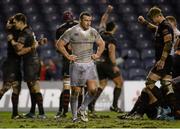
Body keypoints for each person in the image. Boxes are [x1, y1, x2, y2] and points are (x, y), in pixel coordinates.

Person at [56, 11, 105, 122]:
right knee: (75, 92)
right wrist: (68, 55)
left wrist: (97, 54)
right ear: (80, 20)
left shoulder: (93, 31)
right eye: (86, 20)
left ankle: (82, 108)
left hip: (89, 64)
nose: (88, 23)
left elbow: (102, 44)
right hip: (76, 65)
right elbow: (59, 44)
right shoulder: (72, 31)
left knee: (93, 90)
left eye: (90, 21)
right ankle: (74, 117)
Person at [131, 6, 179, 118]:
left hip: (165, 61)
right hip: (168, 60)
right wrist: (144, 22)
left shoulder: (166, 26)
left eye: (153, 18)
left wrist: (162, 60)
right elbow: (155, 29)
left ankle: (164, 107)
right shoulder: (162, 26)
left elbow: (168, 44)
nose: (152, 21)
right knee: (166, 85)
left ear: (158, 16)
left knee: (149, 82)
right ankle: (174, 111)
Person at [88, 5, 124, 114]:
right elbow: (111, 53)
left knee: (102, 84)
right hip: (108, 64)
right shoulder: (112, 39)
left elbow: (103, 20)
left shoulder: (101, 33)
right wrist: (114, 65)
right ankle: (114, 106)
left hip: (98, 63)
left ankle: (91, 103)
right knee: (119, 83)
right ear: (114, 29)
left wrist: (108, 11)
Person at [12, 13, 46, 119]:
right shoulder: (29, 29)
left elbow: (18, 50)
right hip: (32, 61)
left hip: (30, 62)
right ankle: (32, 112)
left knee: (34, 86)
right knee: (32, 87)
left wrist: (12, 42)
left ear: (21, 22)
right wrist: (36, 45)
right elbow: (34, 44)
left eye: (15, 22)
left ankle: (41, 113)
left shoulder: (24, 33)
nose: (14, 24)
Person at [54, 11, 80, 118]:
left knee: (66, 86)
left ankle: (62, 111)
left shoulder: (59, 29)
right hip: (79, 59)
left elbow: (57, 47)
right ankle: (79, 111)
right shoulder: (79, 25)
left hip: (67, 60)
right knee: (79, 87)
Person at [0, 16, 22, 119]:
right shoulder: (12, 32)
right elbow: (7, 26)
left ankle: (15, 113)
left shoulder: (18, 32)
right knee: (6, 87)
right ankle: (15, 113)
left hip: (16, 63)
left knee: (16, 88)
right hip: (10, 63)